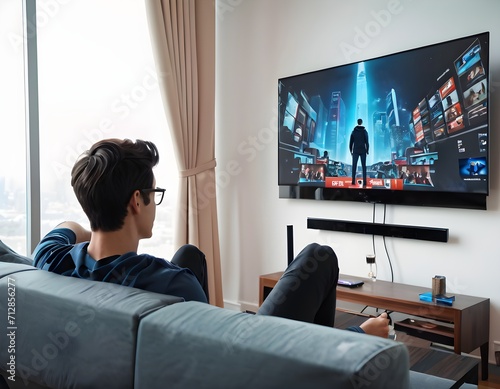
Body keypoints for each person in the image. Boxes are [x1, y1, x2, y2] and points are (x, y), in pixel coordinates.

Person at [33, 138, 389, 338]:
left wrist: (90, 228)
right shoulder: (174, 286)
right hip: (247, 351)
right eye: (153, 193)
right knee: (318, 255)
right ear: (136, 202)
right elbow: (224, 356)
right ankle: (337, 353)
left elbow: (71, 227)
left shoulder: (50, 259)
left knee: (189, 253)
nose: (156, 202)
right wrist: (358, 335)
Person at [349, 118, 369, 187]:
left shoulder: (354, 131)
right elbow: (367, 142)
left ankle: (353, 181)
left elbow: (351, 142)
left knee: (354, 166)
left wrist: (350, 150)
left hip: (355, 150)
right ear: (362, 122)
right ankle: (365, 182)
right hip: (363, 150)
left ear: (357, 122)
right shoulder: (364, 131)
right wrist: (367, 150)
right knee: (364, 166)